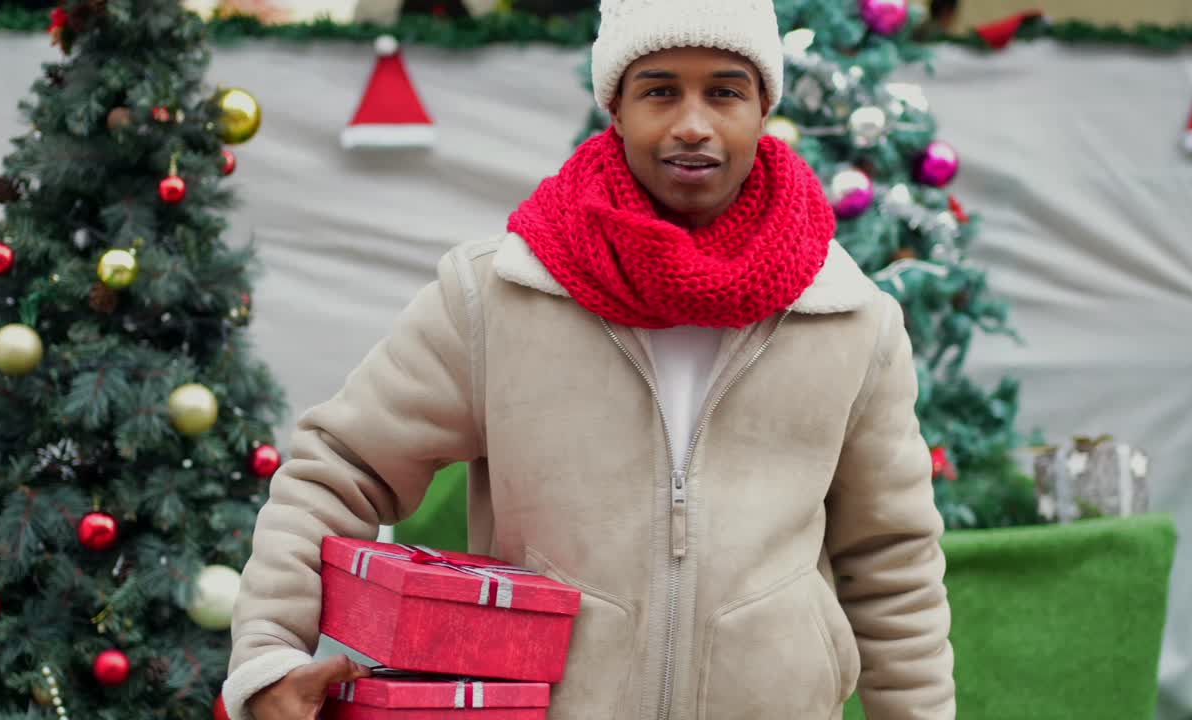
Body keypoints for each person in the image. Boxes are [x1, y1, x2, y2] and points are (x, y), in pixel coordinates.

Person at [222, 0, 955, 718]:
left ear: (762, 107)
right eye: (660, 90)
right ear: (617, 107)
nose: (693, 124)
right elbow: (340, 465)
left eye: (724, 91)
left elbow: (891, 563)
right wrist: (270, 655)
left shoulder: (848, 317)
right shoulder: (499, 293)